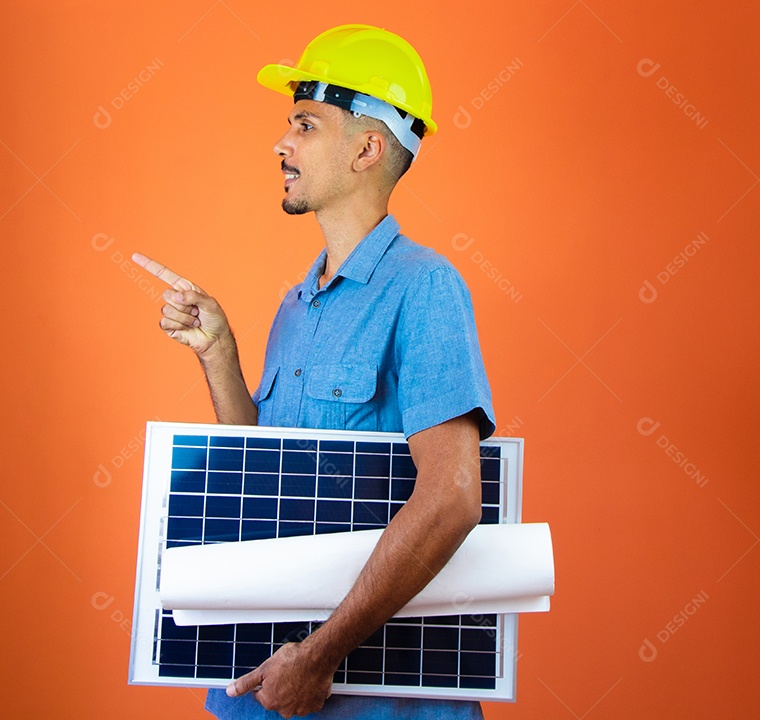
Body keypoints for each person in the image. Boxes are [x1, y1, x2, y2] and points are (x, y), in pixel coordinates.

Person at [133, 24, 495, 720]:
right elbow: (267, 477)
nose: (281, 144)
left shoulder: (425, 288)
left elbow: (451, 498)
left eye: (305, 124)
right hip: (263, 684)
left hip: (374, 700)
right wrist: (220, 354)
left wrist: (322, 656)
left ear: (367, 148)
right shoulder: (296, 306)